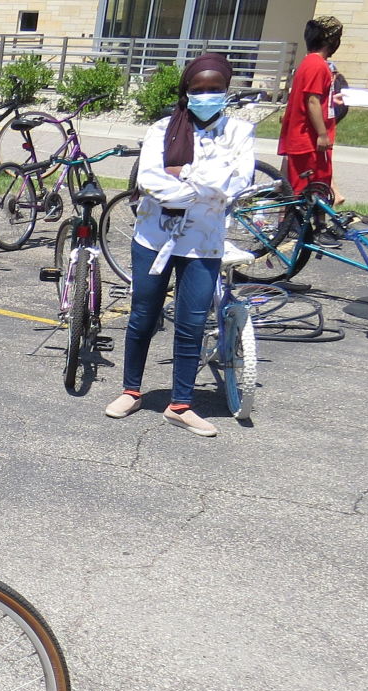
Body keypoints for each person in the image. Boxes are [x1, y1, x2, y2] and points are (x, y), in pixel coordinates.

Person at [104, 53, 256, 437]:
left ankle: (181, 404)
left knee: (191, 324)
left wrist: (186, 176)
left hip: (203, 244)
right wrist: (208, 185)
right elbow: (153, 183)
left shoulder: (240, 132)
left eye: (215, 89)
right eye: (199, 89)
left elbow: (239, 182)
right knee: (142, 317)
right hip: (154, 238)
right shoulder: (161, 129)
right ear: (186, 91)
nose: (207, 95)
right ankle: (131, 390)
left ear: (226, 91)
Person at [278, 16, 344, 204]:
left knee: (319, 186)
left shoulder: (310, 63)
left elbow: (313, 97)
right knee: (306, 189)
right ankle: (296, 228)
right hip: (308, 139)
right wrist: (322, 134)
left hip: (308, 138)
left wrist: (333, 100)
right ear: (330, 41)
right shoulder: (317, 65)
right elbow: (312, 101)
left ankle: (316, 226)